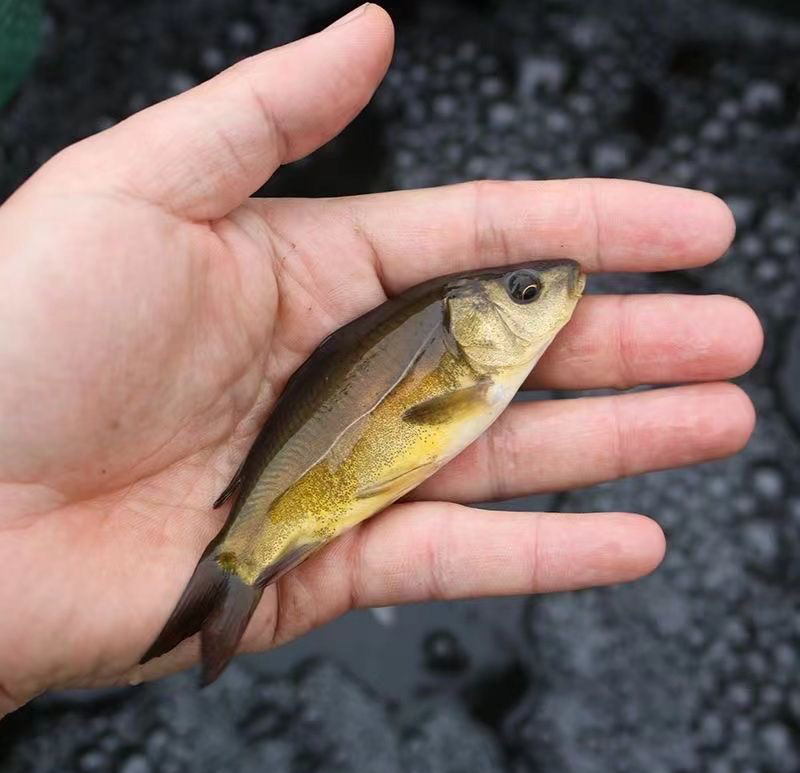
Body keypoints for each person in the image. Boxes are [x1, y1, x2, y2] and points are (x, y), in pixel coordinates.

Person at [0, 3, 763, 716]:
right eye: (525, 292)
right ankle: (235, 572)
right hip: (286, 491)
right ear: (473, 323)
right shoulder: (458, 359)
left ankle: (233, 576)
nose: (554, 289)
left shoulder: (458, 349)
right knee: (262, 542)